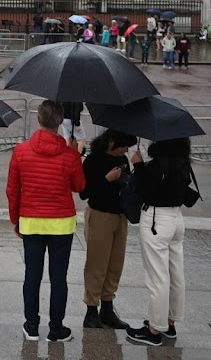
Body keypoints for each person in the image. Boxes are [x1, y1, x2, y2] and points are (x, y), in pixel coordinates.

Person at [7, 100, 85, 343]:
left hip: (31, 221)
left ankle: (31, 325)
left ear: (38, 120)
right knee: (58, 278)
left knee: (32, 275)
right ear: (60, 122)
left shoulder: (21, 151)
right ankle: (56, 328)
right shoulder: (70, 155)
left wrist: (15, 220)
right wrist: (75, 154)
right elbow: (79, 186)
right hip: (61, 223)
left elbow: (12, 190)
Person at [127, 137, 199, 347]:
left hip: (157, 219)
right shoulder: (182, 163)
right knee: (175, 273)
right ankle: (170, 321)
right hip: (176, 219)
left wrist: (138, 165)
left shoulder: (159, 164)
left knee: (158, 276)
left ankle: (155, 329)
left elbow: (147, 191)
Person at [81, 129, 137, 330]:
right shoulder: (93, 160)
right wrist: (107, 179)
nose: (125, 151)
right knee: (97, 264)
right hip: (100, 215)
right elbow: (84, 192)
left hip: (120, 215)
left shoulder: (123, 159)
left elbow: (130, 185)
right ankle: (91, 310)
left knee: (115, 264)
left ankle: (107, 308)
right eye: (123, 146)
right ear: (111, 142)